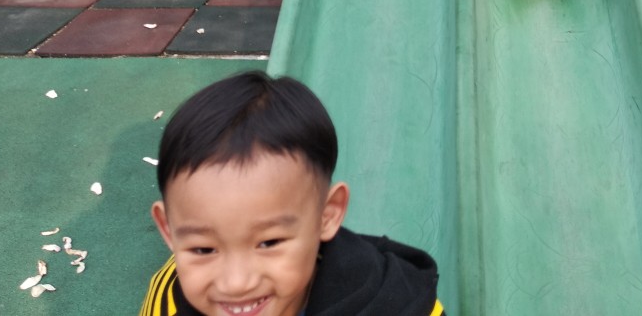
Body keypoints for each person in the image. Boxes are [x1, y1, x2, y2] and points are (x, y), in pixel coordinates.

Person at [139, 70, 447, 316]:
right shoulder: (168, 300)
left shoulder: (399, 303)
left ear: (327, 215)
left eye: (269, 242)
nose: (236, 283)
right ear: (168, 229)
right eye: (204, 249)